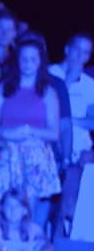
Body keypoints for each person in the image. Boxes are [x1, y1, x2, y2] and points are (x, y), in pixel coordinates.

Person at [0, 37, 61, 231]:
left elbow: (54, 133)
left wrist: (29, 131)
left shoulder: (48, 92)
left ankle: (25, 247)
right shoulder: (3, 88)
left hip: (34, 158)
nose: (28, 64)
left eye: (33, 59)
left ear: (40, 62)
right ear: (17, 61)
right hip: (5, 154)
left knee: (26, 211)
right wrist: (7, 133)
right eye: (24, 59)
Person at [48, 32, 94, 165]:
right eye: (76, 49)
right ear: (67, 49)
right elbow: (48, 110)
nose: (80, 56)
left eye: (85, 52)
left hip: (82, 151)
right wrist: (68, 80)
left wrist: (69, 121)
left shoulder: (89, 83)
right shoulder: (49, 73)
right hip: (53, 149)